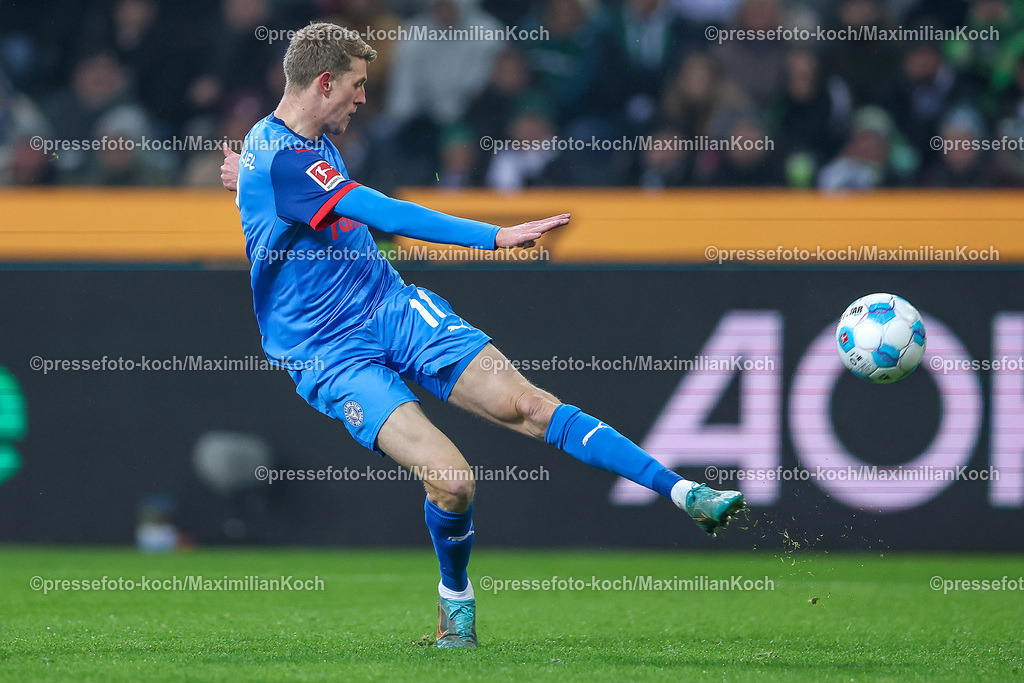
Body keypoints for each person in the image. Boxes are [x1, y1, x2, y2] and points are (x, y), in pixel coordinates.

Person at [220, 22, 745, 649]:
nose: (364, 97)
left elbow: (313, 204)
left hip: (391, 306)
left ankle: (684, 492)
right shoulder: (281, 156)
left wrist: (246, 180)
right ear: (325, 81)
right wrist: (492, 237)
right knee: (453, 478)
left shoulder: (286, 148)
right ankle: (457, 609)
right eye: (358, 85)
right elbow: (387, 213)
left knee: (529, 404)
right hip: (328, 352)